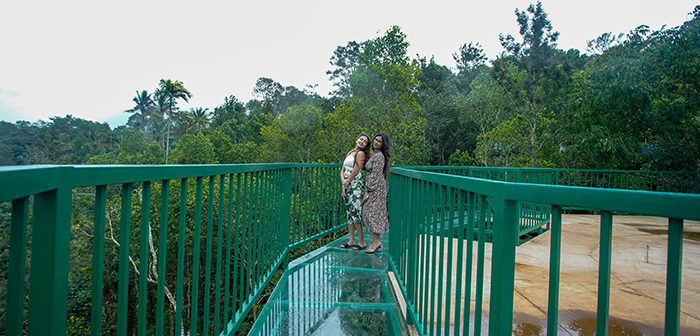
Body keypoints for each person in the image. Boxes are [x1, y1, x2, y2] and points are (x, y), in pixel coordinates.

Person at [340, 133, 371, 250]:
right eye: (361, 139)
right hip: (347, 185)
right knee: (349, 213)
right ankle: (352, 240)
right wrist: (344, 184)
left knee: (355, 212)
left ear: (365, 146)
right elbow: (343, 169)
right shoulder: (350, 152)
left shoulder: (361, 154)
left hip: (355, 186)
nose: (362, 142)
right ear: (356, 139)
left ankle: (361, 241)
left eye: (365, 142)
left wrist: (347, 182)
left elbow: (356, 170)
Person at [362, 133, 390, 253]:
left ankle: (376, 242)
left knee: (372, 213)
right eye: (375, 140)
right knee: (373, 213)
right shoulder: (373, 154)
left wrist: (366, 191)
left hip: (376, 188)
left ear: (383, 144)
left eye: (379, 141)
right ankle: (376, 242)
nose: (376, 142)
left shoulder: (379, 156)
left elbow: (376, 175)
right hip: (374, 187)